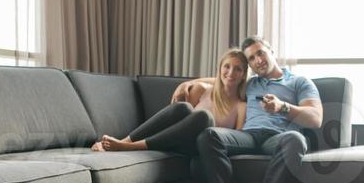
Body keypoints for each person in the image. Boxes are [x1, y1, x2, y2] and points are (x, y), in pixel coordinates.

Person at [185, 36, 323, 183]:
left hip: (277, 138)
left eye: (261, 53)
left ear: (271, 51)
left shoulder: (298, 82)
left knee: (296, 139)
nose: (258, 60)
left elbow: (315, 118)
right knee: (208, 135)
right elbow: (221, 79)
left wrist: (283, 107)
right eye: (251, 58)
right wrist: (186, 84)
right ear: (249, 65)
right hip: (248, 136)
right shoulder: (249, 83)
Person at [91, 48, 248, 154]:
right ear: (220, 69)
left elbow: (237, 141)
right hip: (175, 139)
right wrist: (186, 83)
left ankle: (130, 146)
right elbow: (178, 122)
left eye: (238, 69)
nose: (231, 72)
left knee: (204, 117)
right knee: (184, 108)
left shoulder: (241, 106)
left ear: (243, 75)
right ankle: (123, 141)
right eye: (227, 66)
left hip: (201, 147)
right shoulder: (202, 89)